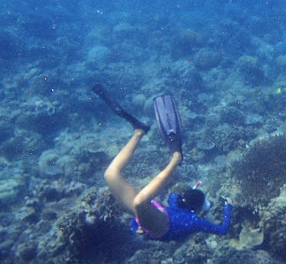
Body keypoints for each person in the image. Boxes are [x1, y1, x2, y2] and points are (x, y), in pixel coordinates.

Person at [93, 84, 232, 241]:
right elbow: (222, 230)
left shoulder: (176, 201)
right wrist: (228, 207)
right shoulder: (195, 221)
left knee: (116, 181)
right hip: (157, 221)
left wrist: (136, 227)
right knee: (125, 189)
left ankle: (153, 142)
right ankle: (156, 144)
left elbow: (174, 198)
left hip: (156, 219)